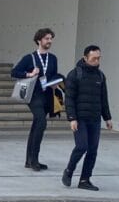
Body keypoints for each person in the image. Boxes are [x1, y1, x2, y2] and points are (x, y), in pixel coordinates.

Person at [62, 44, 113, 191]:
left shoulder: (100, 76)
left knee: (92, 150)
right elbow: (69, 98)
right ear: (85, 58)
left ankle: (85, 179)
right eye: (94, 59)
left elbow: (104, 99)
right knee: (81, 146)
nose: (97, 61)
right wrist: (72, 118)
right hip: (80, 118)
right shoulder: (75, 74)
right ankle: (69, 170)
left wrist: (107, 118)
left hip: (95, 118)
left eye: (98, 58)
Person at [10, 27, 62, 171]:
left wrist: (55, 83)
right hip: (34, 95)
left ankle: (31, 160)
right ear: (39, 40)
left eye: (51, 38)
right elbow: (14, 72)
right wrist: (29, 73)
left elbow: (53, 75)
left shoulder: (53, 58)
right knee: (41, 122)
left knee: (36, 126)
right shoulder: (29, 58)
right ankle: (34, 160)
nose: (49, 41)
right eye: (47, 38)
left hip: (47, 96)